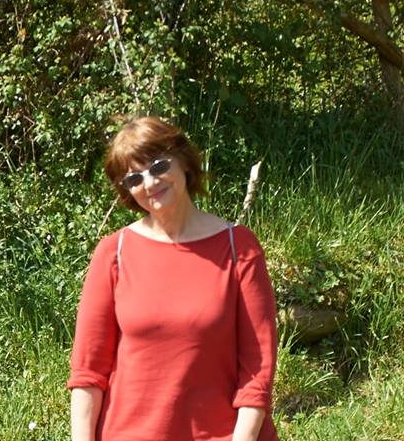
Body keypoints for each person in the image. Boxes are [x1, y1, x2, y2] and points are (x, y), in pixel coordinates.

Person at [68, 116, 278, 441]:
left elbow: (258, 366)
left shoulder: (239, 248)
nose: (149, 183)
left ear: (183, 160)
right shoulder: (114, 253)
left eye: (157, 166)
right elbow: (88, 372)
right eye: (134, 178)